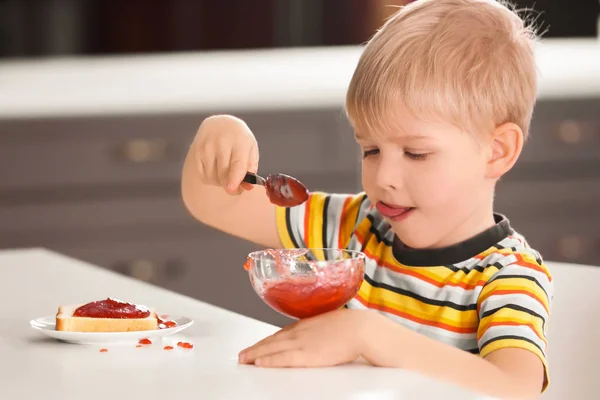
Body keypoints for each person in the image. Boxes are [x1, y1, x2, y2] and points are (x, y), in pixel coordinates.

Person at [181, 0, 553, 398]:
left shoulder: (505, 276)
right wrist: (218, 137)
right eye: (371, 150)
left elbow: (517, 387)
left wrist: (367, 335)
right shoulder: (355, 226)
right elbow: (210, 202)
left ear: (497, 151)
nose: (384, 178)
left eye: (416, 153)